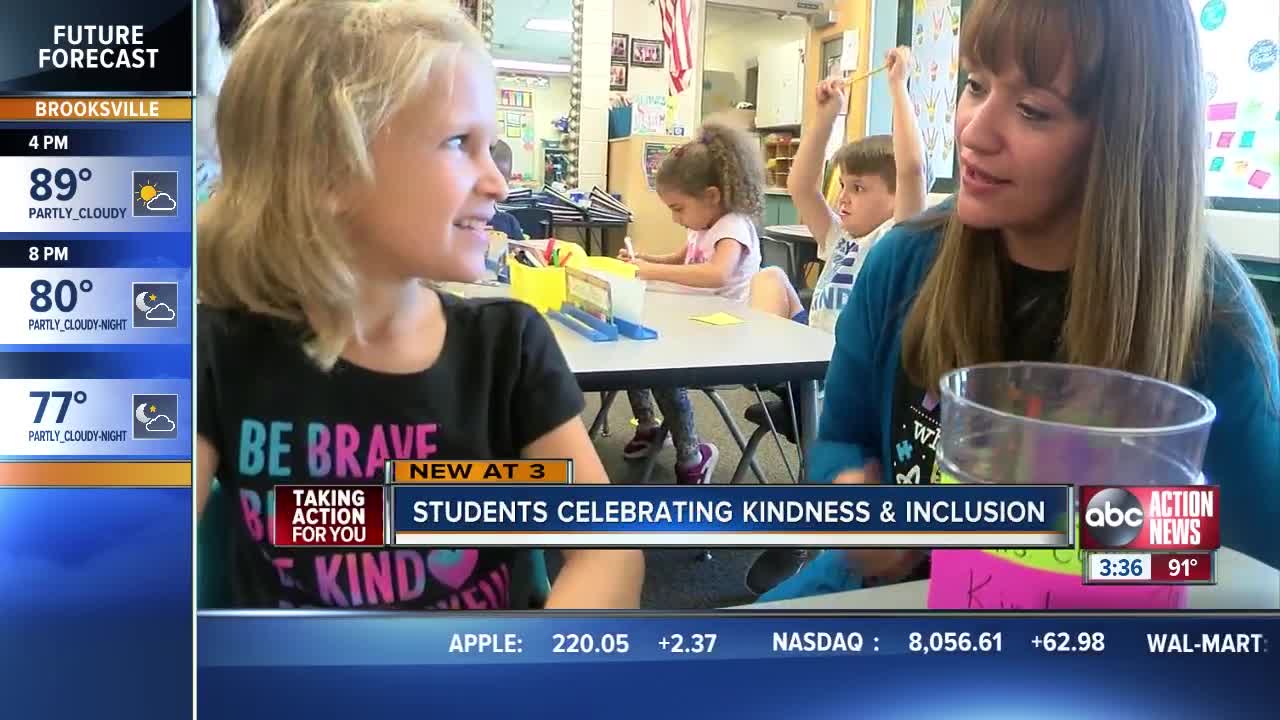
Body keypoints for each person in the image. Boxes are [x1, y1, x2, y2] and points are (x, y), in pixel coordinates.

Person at [811, 0, 1280, 587]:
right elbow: (840, 440)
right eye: (976, 85)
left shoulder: (1215, 325)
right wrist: (852, 500)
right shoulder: (904, 261)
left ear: (1124, 135)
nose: (974, 132)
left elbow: (1250, 573)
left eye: (1033, 109)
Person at [196, 0, 643, 609]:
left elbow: (608, 549)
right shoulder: (216, 353)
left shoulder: (505, 346)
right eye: (460, 142)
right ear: (328, 169)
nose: (499, 183)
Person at [747, 47, 928, 446]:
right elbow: (801, 185)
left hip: (850, 376)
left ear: (897, 198)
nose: (842, 198)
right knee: (770, 278)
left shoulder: (899, 237)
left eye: (859, 188)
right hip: (809, 358)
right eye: (844, 185)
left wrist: (898, 86)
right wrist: (828, 115)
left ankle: (789, 390)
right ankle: (763, 369)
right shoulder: (839, 237)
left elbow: (912, 169)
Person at [617, 121, 767, 484]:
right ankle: (649, 425)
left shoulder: (733, 226)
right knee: (630, 340)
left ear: (713, 196)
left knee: (660, 366)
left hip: (725, 338)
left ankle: (692, 456)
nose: (675, 218)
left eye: (678, 208)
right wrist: (647, 261)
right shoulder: (702, 225)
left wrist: (650, 271)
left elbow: (716, 274)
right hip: (696, 323)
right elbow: (680, 259)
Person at [487, 139, 525, 241]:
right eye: (490, 180)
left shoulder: (508, 222)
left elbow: (522, 252)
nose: (501, 192)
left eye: (504, 181)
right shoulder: (454, 225)